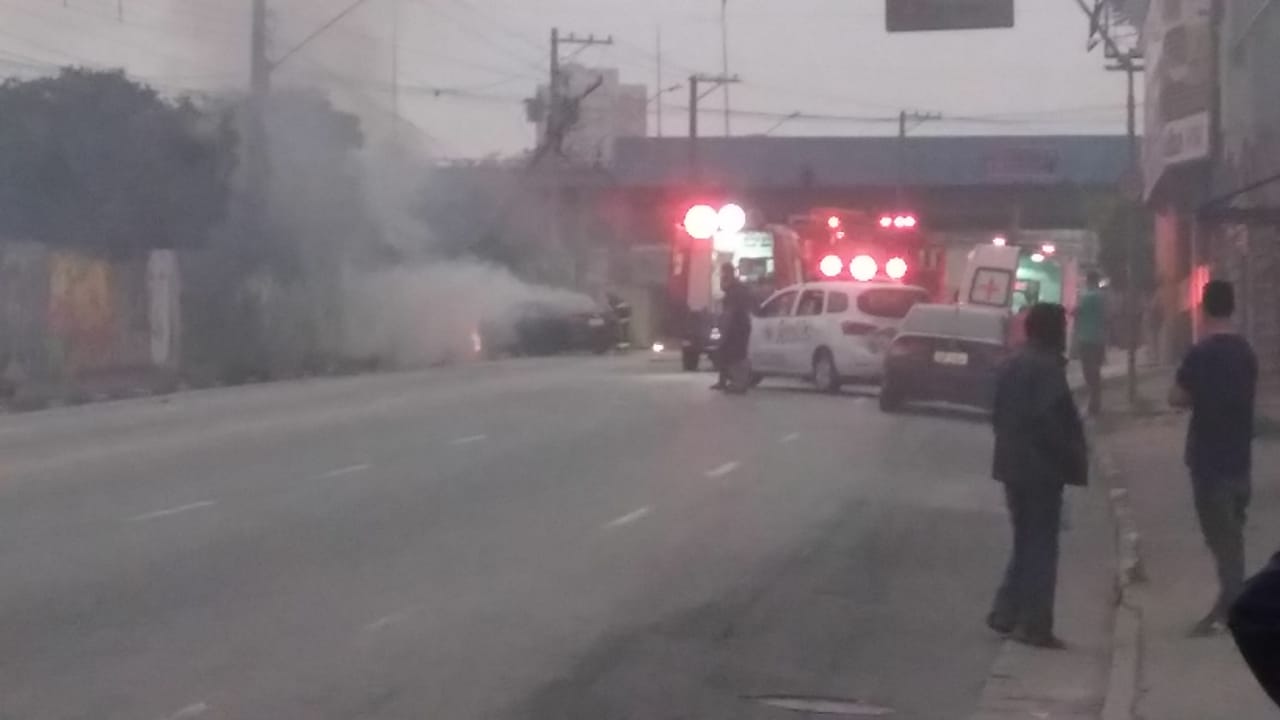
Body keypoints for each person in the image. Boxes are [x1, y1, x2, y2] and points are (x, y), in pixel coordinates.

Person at [988, 303, 1087, 649]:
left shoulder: (1011, 364)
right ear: (1051, 331)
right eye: (1062, 326)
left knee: (1026, 540)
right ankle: (1035, 625)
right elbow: (1051, 422)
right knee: (1042, 545)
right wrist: (1070, 455)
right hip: (1041, 468)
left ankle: (1006, 611)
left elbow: (996, 412)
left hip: (1012, 465)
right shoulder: (1046, 368)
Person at [1169, 279, 1257, 637]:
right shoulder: (1246, 352)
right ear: (1233, 307)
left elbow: (1177, 397)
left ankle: (1232, 612)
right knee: (1231, 535)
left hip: (1208, 457)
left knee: (1223, 540)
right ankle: (1227, 606)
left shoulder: (1201, 353)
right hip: (1240, 456)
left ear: (1205, 308)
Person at [711, 263, 753, 393]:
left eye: (724, 272)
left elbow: (731, 311)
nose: (723, 276)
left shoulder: (734, 289)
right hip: (740, 325)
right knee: (729, 353)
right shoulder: (738, 287)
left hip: (736, 326)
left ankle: (739, 384)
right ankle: (728, 382)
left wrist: (723, 328)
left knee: (736, 355)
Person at [1073, 271, 1107, 415]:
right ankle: (1096, 403)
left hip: (1086, 338)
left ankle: (1093, 404)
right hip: (1099, 339)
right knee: (1096, 371)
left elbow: (1076, 312)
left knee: (1089, 372)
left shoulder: (1086, 297)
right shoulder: (1102, 297)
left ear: (1088, 281)